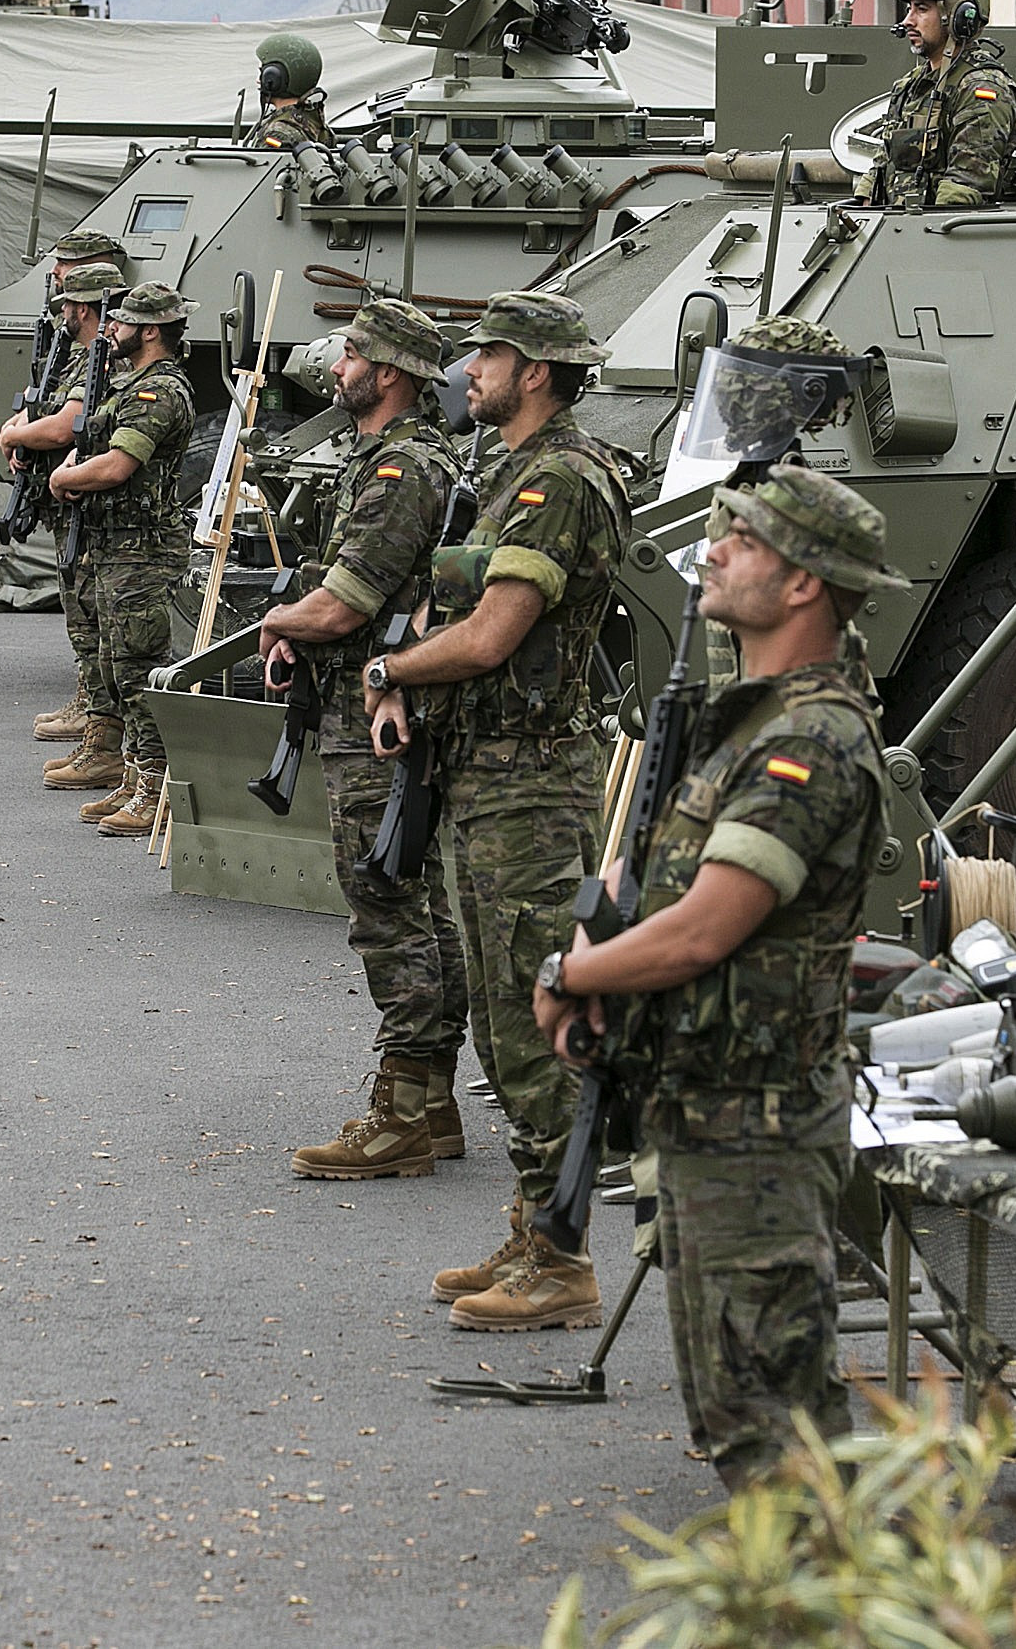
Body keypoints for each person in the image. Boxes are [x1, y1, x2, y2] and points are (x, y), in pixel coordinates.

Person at [533, 464, 901, 1487]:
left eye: (743, 541)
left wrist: (575, 970)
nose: (715, 551)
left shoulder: (810, 740)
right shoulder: (748, 716)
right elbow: (653, 875)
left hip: (760, 1124)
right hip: (706, 1105)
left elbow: (704, 930)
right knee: (737, 1414)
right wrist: (598, 954)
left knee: (776, 1427)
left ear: (802, 586)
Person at [362, 290, 629, 1333]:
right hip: (486, 773)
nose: (471, 370)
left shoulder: (559, 478)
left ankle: (561, 1260)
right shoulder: (509, 473)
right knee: (497, 1010)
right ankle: (533, 1225)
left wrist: (389, 665)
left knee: (530, 1017)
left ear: (540, 371)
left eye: (492, 355)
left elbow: (489, 637)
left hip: (529, 784)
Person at [259, 298, 474, 1179]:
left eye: (350, 353)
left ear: (388, 373)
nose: (335, 364)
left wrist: (282, 618)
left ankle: (403, 1115)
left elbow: (349, 600)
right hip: (372, 708)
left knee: (388, 905)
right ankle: (430, 1102)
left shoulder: (400, 470)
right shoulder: (387, 460)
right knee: (411, 898)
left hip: (377, 717)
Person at [47, 280, 199, 837]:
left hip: (143, 553)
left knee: (140, 673)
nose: (110, 328)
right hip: (116, 547)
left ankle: (155, 785)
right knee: (118, 668)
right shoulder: (129, 384)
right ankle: (136, 774)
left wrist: (66, 477)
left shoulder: (159, 392)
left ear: (150, 331)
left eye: (124, 321)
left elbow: (116, 466)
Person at [16, 234, 130, 773]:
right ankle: (94, 711)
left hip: (96, 505)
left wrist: (20, 437)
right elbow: (49, 406)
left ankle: (104, 729)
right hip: (72, 494)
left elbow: (67, 425)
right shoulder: (76, 355)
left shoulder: (103, 363)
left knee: (98, 618)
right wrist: (20, 431)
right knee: (82, 610)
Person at [865, 0, 1016, 211]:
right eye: (909, 9)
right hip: (895, 226)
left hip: (939, 233)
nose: (908, 20)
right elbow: (882, 164)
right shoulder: (911, 84)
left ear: (958, 18)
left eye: (921, 9)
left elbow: (965, 186)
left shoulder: (981, 88)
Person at [246, 33, 335, 151]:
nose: (258, 81)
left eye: (263, 74)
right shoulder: (313, 121)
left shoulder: (278, 134)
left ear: (275, 78)